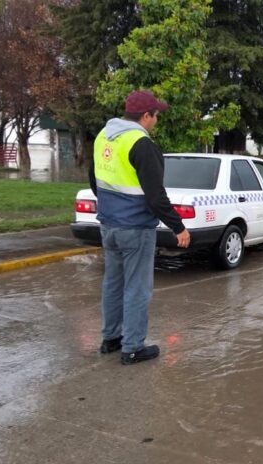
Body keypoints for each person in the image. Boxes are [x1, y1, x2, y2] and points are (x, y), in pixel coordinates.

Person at [90, 89, 190, 365]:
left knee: (113, 283)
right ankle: (132, 347)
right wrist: (178, 228)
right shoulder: (142, 144)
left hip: (108, 225)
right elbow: (156, 196)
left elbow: (94, 178)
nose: (157, 120)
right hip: (135, 228)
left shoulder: (103, 137)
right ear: (146, 116)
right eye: (156, 115)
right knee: (137, 288)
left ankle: (111, 338)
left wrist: (112, 208)